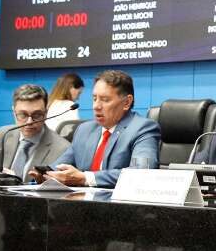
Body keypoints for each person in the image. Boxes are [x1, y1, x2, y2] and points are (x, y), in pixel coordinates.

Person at [30, 70, 160, 188]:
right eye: (94, 98)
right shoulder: (85, 130)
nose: (96, 106)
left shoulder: (143, 128)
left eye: (105, 100)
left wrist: (85, 178)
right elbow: (59, 166)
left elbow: (142, 173)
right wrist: (45, 175)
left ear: (126, 102)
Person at [0, 84, 70, 182]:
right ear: (14, 112)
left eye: (37, 115)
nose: (29, 122)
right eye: (23, 115)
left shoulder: (62, 149)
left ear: (46, 113)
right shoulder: (3, 134)